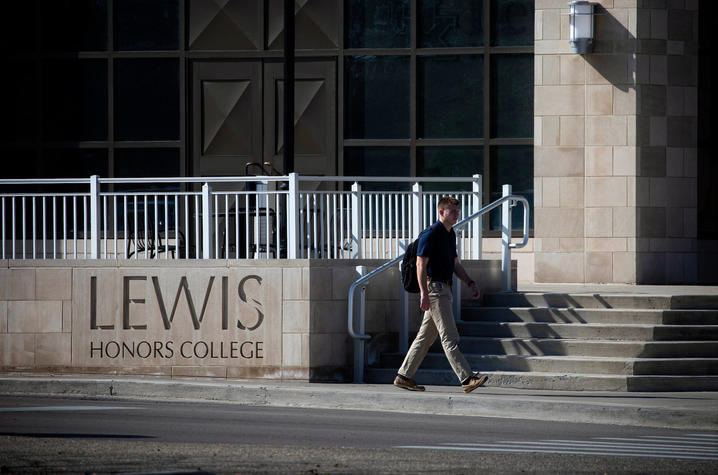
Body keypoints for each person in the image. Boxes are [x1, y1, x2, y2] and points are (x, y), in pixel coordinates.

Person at [394, 196, 488, 393]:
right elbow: (421, 265)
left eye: (457, 211)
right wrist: (424, 293)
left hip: (446, 288)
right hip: (434, 290)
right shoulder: (431, 234)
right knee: (449, 336)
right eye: (452, 211)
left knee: (425, 338)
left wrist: (470, 282)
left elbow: (455, 265)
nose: (456, 215)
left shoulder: (450, 234)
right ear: (441, 212)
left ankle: (404, 376)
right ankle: (467, 378)